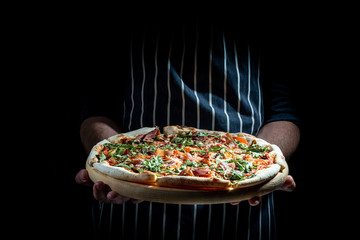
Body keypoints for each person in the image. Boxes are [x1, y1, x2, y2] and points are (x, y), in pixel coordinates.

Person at [75, 16, 300, 240]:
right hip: (132, 214)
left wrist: (257, 168)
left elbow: (285, 111)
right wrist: (115, 176)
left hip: (242, 216)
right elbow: (96, 108)